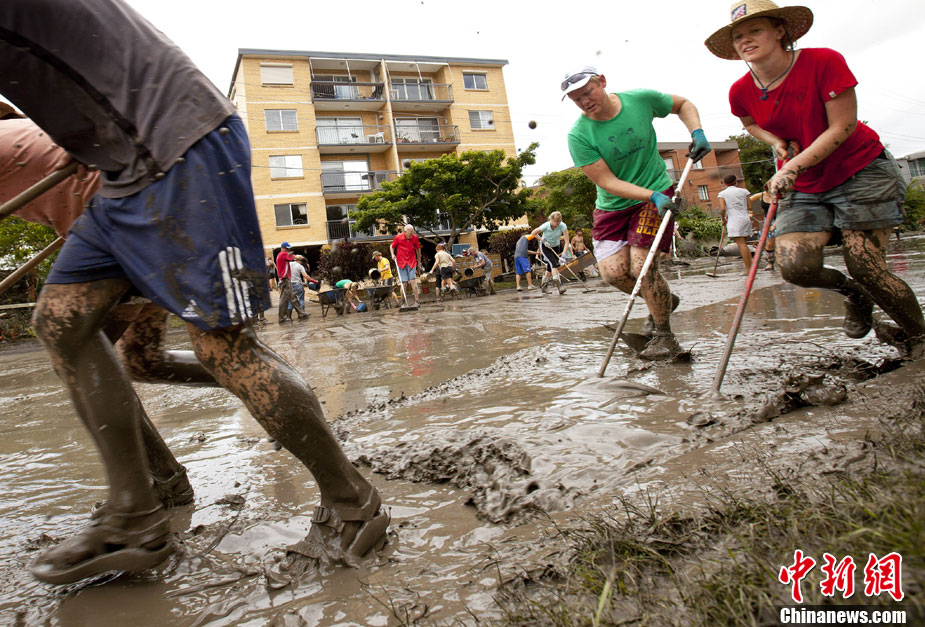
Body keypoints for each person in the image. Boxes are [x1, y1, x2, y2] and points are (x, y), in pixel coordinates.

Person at [1, 0, 387, 584]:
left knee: (223, 347)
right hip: (119, 174)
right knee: (61, 324)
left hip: (177, 145)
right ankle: (136, 512)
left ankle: (353, 505)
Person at [705, 0, 925, 358]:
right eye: (739, 36)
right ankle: (854, 295)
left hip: (860, 170)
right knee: (795, 267)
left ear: (780, 31)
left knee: (865, 264)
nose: (746, 40)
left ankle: (919, 339)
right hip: (806, 183)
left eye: (755, 30)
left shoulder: (824, 61)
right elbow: (749, 123)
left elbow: (843, 125)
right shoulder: (740, 90)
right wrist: (775, 142)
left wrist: (791, 167)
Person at [563, 66, 711, 359]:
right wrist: (650, 195)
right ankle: (665, 300)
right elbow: (607, 181)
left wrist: (697, 131)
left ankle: (665, 337)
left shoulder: (640, 100)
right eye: (576, 99)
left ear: (602, 82)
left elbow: (683, 104)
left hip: (655, 193)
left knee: (643, 269)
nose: (584, 101)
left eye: (587, 92)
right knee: (614, 274)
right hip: (613, 204)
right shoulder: (579, 135)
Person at [717, 174, 754, 273]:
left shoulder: (722, 194)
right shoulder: (744, 192)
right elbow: (750, 206)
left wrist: (723, 219)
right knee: (744, 244)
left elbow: (722, 209)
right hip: (745, 218)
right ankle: (751, 267)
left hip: (734, 220)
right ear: (736, 181)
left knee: (741, 245)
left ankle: (749, 270)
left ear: (724, 183)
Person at [530, 211, 570, 295]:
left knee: (549, 268)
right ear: (550, 219)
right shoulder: (545, 226)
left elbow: (566, 241)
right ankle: (559, 287)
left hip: (556, 246)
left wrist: (564, 254)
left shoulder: (563, 226)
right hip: (546, 247)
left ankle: (544, 287)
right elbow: (533, 233)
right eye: (555, 222)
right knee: (554, 264)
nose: (556, 224)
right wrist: (542, 240)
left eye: (558, 222)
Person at [275, 243, 309, 323]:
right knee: (284, 299)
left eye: (289, 249)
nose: (288, 250)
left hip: (285, 279)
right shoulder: (283, 254)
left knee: (292, 297)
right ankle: (282, 318)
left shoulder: (282, 255)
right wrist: (303, 258)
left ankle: (301, 313)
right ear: (283, 248)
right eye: (287, 248)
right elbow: (296, 257)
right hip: (285, 279)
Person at [390, 224, 423, 307]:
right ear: (405, 231)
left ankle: (417, 301)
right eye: (410, 231)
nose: (412, 233)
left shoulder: (414, 237)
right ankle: (403, 302)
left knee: (413, 281)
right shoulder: (398, 237)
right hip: (401, 262)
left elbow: (418, 249)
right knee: (404, 283)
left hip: (412, 262)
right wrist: (392, 254)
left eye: (412, 231)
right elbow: (392, 246)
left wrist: (419, 262)